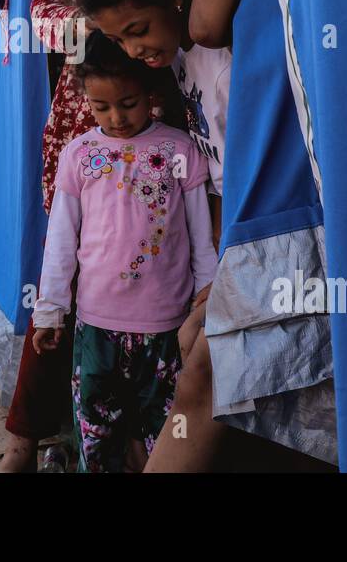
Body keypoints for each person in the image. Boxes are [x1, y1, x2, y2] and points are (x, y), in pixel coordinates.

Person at [79, 0, 335, 471]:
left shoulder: (222, 70)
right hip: (241, 245)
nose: (133, 48)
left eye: (138, 29)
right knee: (198, 357)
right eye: (120, 39)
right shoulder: (180, 64)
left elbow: (248, 175)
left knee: (201, 371)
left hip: (272, 237)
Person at [0, 0, 173, 472]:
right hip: (85, 115)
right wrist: (99, 41)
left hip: (163, 113)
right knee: (69, 272)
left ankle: (139, 439)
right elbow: (38, 11)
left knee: (153, 268)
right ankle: (23, 438)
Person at [31, 31, 216, 472]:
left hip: (169, 328)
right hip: (96, 328)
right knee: (96, 438)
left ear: (149, 91)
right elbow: (60, 240)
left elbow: (201, 238)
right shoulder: (78, 155)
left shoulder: (180, 151)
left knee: (168, 434)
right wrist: (50, 309)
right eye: (101, 107)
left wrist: (208, 298)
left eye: (128, 103)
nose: (116, 117)